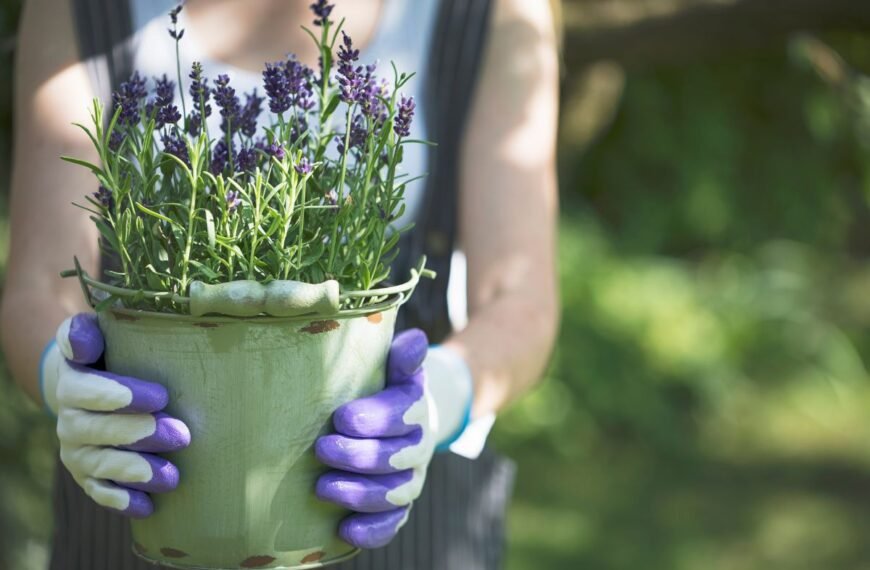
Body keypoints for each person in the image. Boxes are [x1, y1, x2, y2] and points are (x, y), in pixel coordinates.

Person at [1, 0, 559, 568]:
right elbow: (40, 281)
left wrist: (441, 397)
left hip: (386, 517)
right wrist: (64, 378)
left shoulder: (489, 12)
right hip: (138, 496)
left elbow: (519, 297)